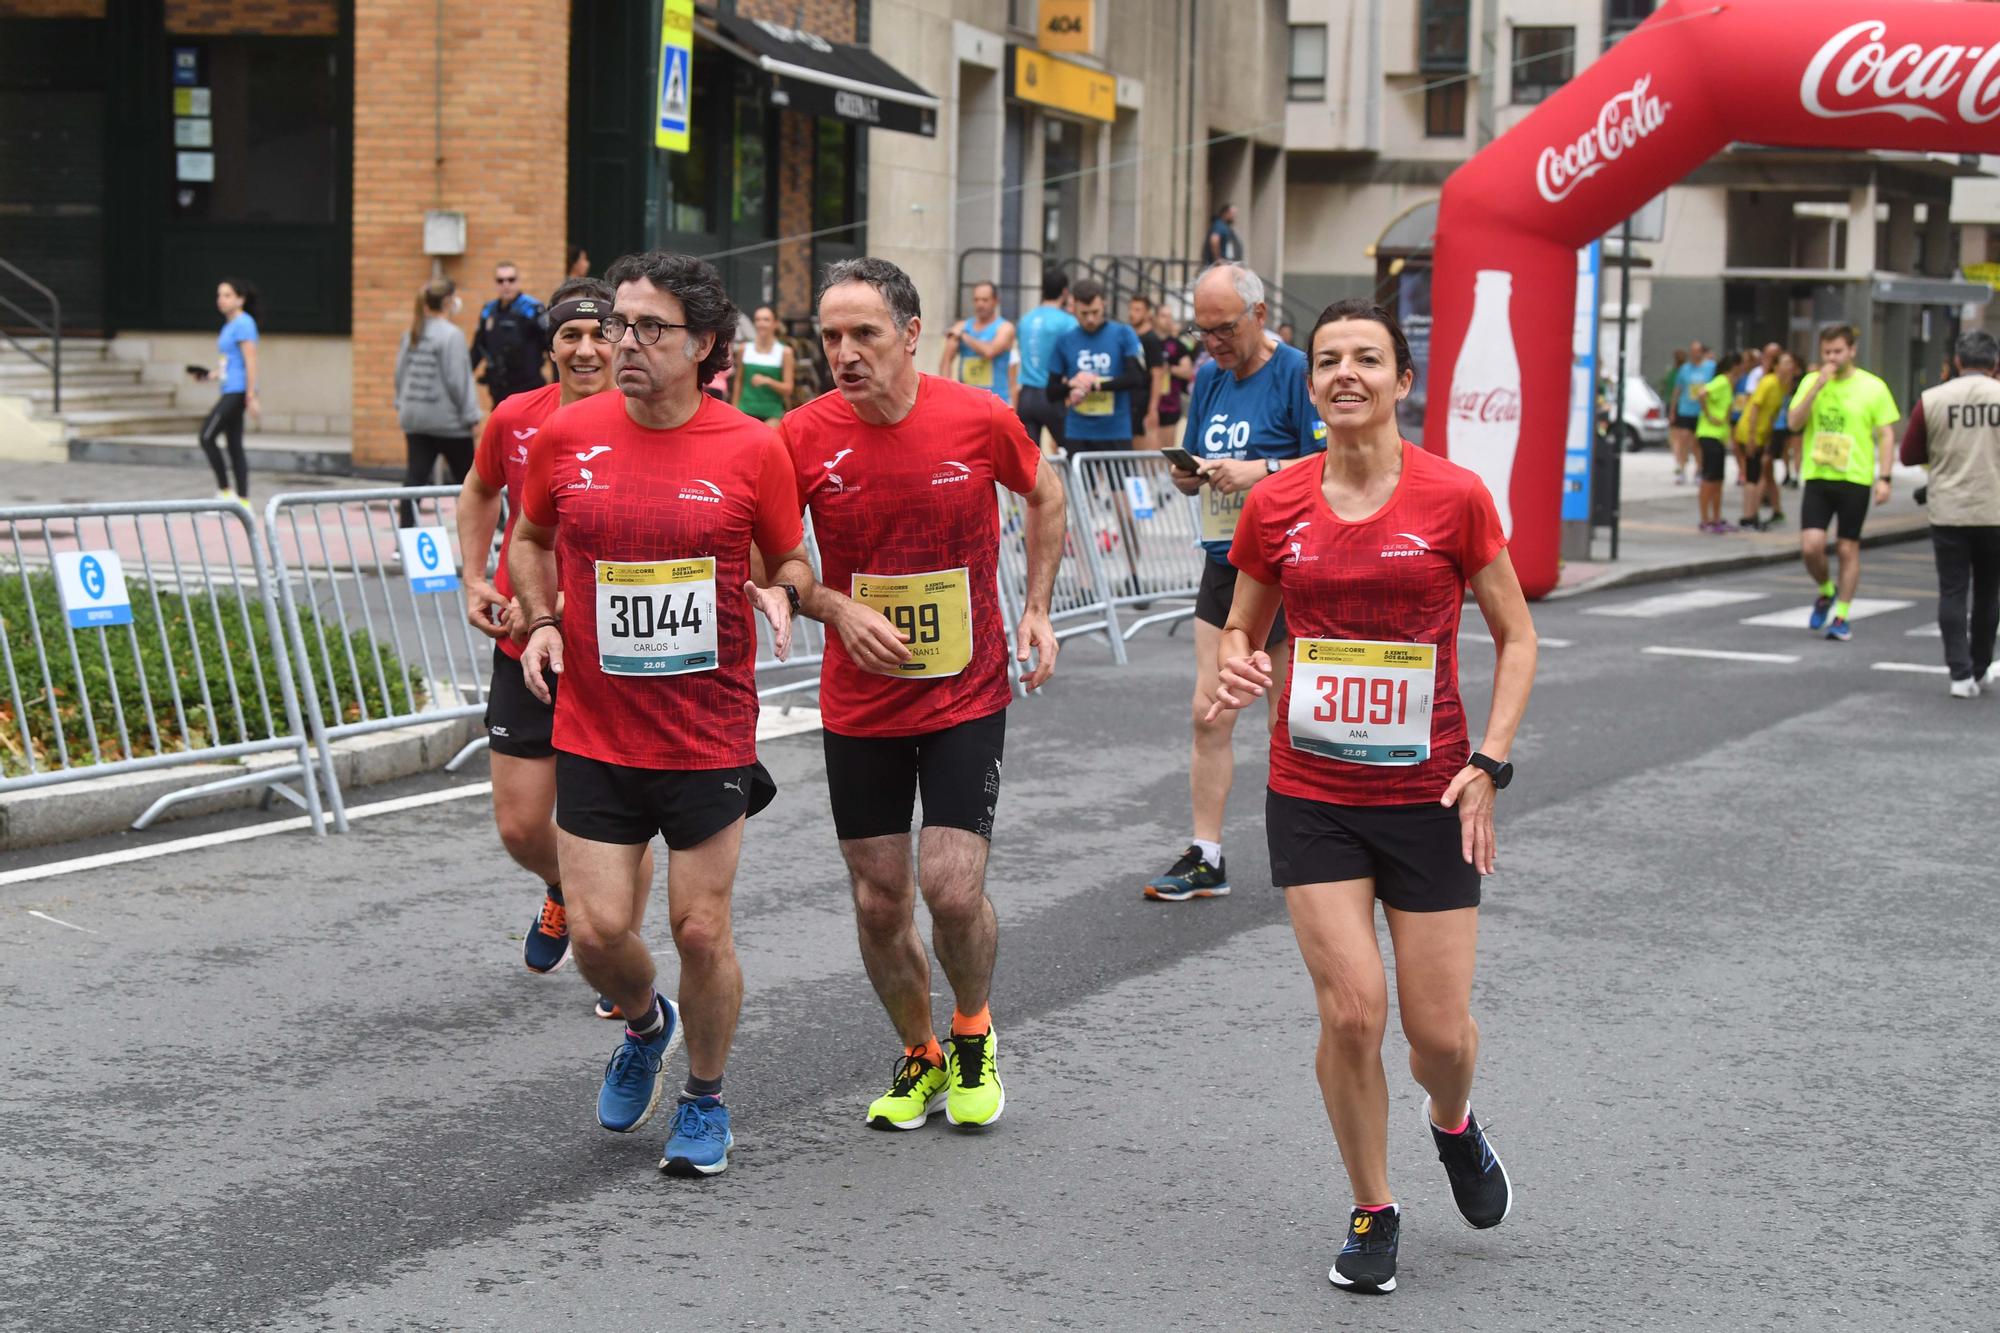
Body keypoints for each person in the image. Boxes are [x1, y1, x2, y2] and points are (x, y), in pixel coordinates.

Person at [1209, 296, 1537, 1296]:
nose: (1343, 373)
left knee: (1436, 1035)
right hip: (1311, 793)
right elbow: (1240, 624)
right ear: (1308, 386)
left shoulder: (1452, 497)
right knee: (1352, 1012)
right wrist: (1236, 665)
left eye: (1366, 359)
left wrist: (1487, 760)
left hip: (1430, 795)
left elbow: (1515, 635)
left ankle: (1452, 1121)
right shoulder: (1273, 504)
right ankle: (1371, 1202)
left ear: (1401, 381)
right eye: (1326, 361)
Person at [508, 250, 817, 1178]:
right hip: (596, 725)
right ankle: (648, 1026)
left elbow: (791, 558)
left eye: (649, 328)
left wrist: (784, 593)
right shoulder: (570, 436)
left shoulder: (753, 446)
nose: (623, 344)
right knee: (598, 933)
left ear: (706, 344)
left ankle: (705, 1097)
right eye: (617, 325)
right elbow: (529, 537)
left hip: (705, 728)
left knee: (699, 928)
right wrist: (542, 621)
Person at [780, 257, 1065, 1132]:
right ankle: (920, 1052)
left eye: (864, 333)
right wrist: (830, 604)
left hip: (964, 690)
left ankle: (973, 1028)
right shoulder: (798, 435)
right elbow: (775, 558)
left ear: (910, 335)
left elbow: (1045, 495)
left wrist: (1037, 611)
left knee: (948, 885)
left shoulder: (978, 418)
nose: (844, 352)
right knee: (877, 897)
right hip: (860, 700)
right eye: (830, 336)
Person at [456, 278, 657, 1019]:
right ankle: (566, 894)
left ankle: (621, 966)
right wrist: (475, 577)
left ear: (625, 340)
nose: (586, 348)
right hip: (523, 650)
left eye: (600, 333)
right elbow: (480, 491)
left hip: (613, 659)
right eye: (570, 336)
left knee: (616, 824)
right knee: (519, 823)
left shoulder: (644, 421)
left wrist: (557, 609)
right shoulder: (516, 418)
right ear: (550, 348)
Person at [1145, 263, 1326, 902]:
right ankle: (1207, 855)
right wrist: (1189, 474)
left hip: (1287, 569)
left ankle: (1310, 850)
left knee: (1288, 718)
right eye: (1202, 332)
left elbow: (1333, 459)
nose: (1213, 342)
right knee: (1210, 711)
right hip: (1224, 562)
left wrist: (1261, 472)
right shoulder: (1210, 380)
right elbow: (1198, 455)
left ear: (1257, 314)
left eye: (1223, 329)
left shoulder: (1299, 373)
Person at [1899, 329, 2000, 696]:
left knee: (1953, 591)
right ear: (1995, 364)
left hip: (1949, 508)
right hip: (1995, 510)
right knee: (1990, 592)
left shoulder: (1932, 399)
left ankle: (1959, 675)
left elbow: (1909, 454)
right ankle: (1980, 666)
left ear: (1958, 361)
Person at [1789, 323, 1901, 642]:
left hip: (1855, 477)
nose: (1833, 357)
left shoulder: (1873, 387)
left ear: (1852, 350)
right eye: (1826, 352)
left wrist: (1885, 478)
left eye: (1838, 351)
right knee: (1811, 547)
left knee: (1848, 548)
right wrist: (1815, 388)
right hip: (1818, 475)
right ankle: (1826, 591)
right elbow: (1794, 423)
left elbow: (1886, 433)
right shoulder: (1812, 381)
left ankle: (1842, 615)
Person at [394, 277, 482, 527]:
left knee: (414, 478)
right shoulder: (451, 335)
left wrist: (401, 404)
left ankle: (405, 537)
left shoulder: (412, 332)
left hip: (415, 418)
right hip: (448, 422)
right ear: (447, 302)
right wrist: (471, 415)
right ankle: (478, 531)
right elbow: (458, 381)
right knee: (470, 481)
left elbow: (400, 374)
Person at [1045, 279, 1148, 456]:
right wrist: (1072, 384)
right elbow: (1051, 392)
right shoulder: (1065, 341)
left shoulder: (1123, 333)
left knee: (1120, 484)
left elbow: (1137, 378)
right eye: (1084, 313)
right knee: (1076, 484)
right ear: (1073, 308)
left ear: (1104, 304)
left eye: (1095, 312)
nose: (1090, 319)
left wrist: (1095, 384)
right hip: (1078, 432)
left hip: (1115, 430)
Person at [196, 277, 259, 506]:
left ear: (240, 299)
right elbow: (230, 363)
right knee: (234, 445)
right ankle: (243, 501)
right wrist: (209, 375)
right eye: (219, 295)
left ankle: (225, 492)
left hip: (237, 391)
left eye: (227, 295)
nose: (221, 300)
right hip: (229, 387)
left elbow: (250, 361)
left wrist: (251, 395)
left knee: (206, 436)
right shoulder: (229, 325)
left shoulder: (244, 324)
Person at [1012, 269, 1078, 455]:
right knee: (1073, 451)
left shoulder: (1025, 320)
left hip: (1026, 395)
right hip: (1051, 395)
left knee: (1030, 459)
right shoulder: (1067, 322)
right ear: (1065, 292)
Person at [470, 261, 549, 407]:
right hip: (499, 390)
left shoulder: (532, 309)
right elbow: (477, 349)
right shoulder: (489, 311)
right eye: (501, 280)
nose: (506, 284)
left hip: (528, 390)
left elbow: (552, 347)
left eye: (511, 280)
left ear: (518, 281)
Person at [1694, 349, 1747, 533]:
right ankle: (1705, 519)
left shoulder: (1729, 384)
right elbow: (1702, 393)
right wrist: (1709, 415)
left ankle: (1716, 518)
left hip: (1718, 436)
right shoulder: (1722, 381)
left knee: (1718, 479)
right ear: (1735, 366)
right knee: (1709, 478)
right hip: (1709, 434)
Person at [1737, 344, 1787, 531]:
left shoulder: (1781, 386)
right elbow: (1754, 407)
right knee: (1754, 475)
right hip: (1750, 432)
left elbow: (1772, 415)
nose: (1788, 367)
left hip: (1761, 435)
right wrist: (1751, 437)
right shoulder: (1769, 382)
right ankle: (1749, 516)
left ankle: (1753, 514)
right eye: (1784, 363)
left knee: (1759, 474)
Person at [941, 281, 1017, 403]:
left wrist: (964, 336)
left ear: (996, 301)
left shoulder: (1005, 328)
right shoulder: (961, 326)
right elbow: (946, 360)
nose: (980, 304)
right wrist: (946, 394)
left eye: (985, 300)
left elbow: (990, 351)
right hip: (966, 401)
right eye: (976, 300)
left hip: (996, 403)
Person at [733, 305, 796, 424]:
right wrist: (734, 409)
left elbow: (788, 388)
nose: (761, 323)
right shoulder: (744, 349)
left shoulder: (785, 352)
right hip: (745, 410)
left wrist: (768, 381)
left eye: (766, 320)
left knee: (767, 440)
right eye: (758, 319)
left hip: (772, 412)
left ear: (775, 323)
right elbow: (738, 382)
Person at [1669, 340, 1715, 486]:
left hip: (1702, 411)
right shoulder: (1685, 369)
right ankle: (1681, 469)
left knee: (1697, 443)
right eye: (1692, 351)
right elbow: (1677, 390)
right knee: (1683, 439)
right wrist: (1673, 410)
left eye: (1697, 351)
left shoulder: (1710, 367)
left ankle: (1699, 469)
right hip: (1685, 409)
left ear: (1702, 352)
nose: (1694, 354)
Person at [1153, 306, 1197, 450]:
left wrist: (1169, 369)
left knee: (1165, 450)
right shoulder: (1146, 341)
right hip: (1145, 405)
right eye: (1163, 316)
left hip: (1169, 405)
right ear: (1155, 318)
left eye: (1170, 317)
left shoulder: (1177, 345)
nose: (1167, 320)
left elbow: (1188, 371)